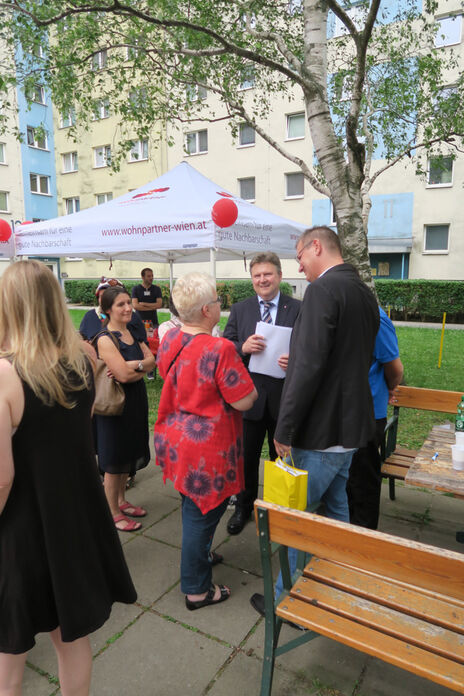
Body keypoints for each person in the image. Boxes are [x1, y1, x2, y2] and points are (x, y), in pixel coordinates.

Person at [0, 260, 136, 696]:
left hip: (21, 530)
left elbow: (2, 477)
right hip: (73, 518)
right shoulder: (84, 359)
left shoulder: (6, 375)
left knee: (8, 655)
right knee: (71, 637)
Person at [250, 226, 379, 616]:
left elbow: (306, 368)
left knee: (300, 522)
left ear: (317, 247)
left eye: (300, 256)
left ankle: (288, 602)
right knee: (336, 514)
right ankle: (338, 586)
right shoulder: (362, 291)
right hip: (351, 428)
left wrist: (284, 429)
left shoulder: (322, 291)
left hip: (322, 432)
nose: (299, 264)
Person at [154, 272, 257, 610]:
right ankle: (197, 590)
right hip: (206, 451)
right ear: (206, 311)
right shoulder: (219, 348)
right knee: (202, 514)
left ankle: (198, 557)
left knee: (191, 507)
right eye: (216, 301)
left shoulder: (168, 338)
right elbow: (244, 400)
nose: (219, 305)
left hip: (176, 440)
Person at [222, 252, 300, 535]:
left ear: (279, 276)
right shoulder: (241, 310)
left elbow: (310, 347)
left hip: (284, 399)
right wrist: (242, 347)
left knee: (282, 459)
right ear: (252, 280)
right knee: (246, 457)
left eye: (268, 274)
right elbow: (225, 345)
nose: (262, 280)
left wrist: (297, 359)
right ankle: (244, 508)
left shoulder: (298, 308)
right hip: (250, 398)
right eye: (257, 275)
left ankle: (280, 511)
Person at [95, 286, 155, 532]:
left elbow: (152, 361)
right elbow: (122, 375)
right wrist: (140, 366)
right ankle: (111, 512)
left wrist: (135, 365)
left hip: (135, 402)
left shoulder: (132, 331)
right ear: (108, 310)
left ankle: (120, 501)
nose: (128, 308)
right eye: (121, 304)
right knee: (113, 460)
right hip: (114, 408)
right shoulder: (104, 338)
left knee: (127, 455)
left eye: (128, 303)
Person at [347, 307, 403, 529]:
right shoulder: (333, 309)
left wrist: (389, 388)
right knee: (346, 479)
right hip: (339, 411)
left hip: (367, 413)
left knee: (363, 481)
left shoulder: (374, 317)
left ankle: (365, 538)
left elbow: (395, 369)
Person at [79, 276, 146, 343]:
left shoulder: (131, 317)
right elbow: (82, 340)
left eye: (109, 297)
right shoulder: (90, 316)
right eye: (102, 296)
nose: (105, 300)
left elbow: (143, 345)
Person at [131, 268, 162, 380]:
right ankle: (140, 367)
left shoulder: (156, 289)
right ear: (143, 277)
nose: (151, 278)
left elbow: (159, 305)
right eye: (149, 276)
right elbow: (135, 306)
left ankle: (151, 370)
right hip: (139, 323)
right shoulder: (136, 289)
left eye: (152, 275)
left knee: (153, 346)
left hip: (153, 322)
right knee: (141, 346)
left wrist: (144, 303)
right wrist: (151, 305)